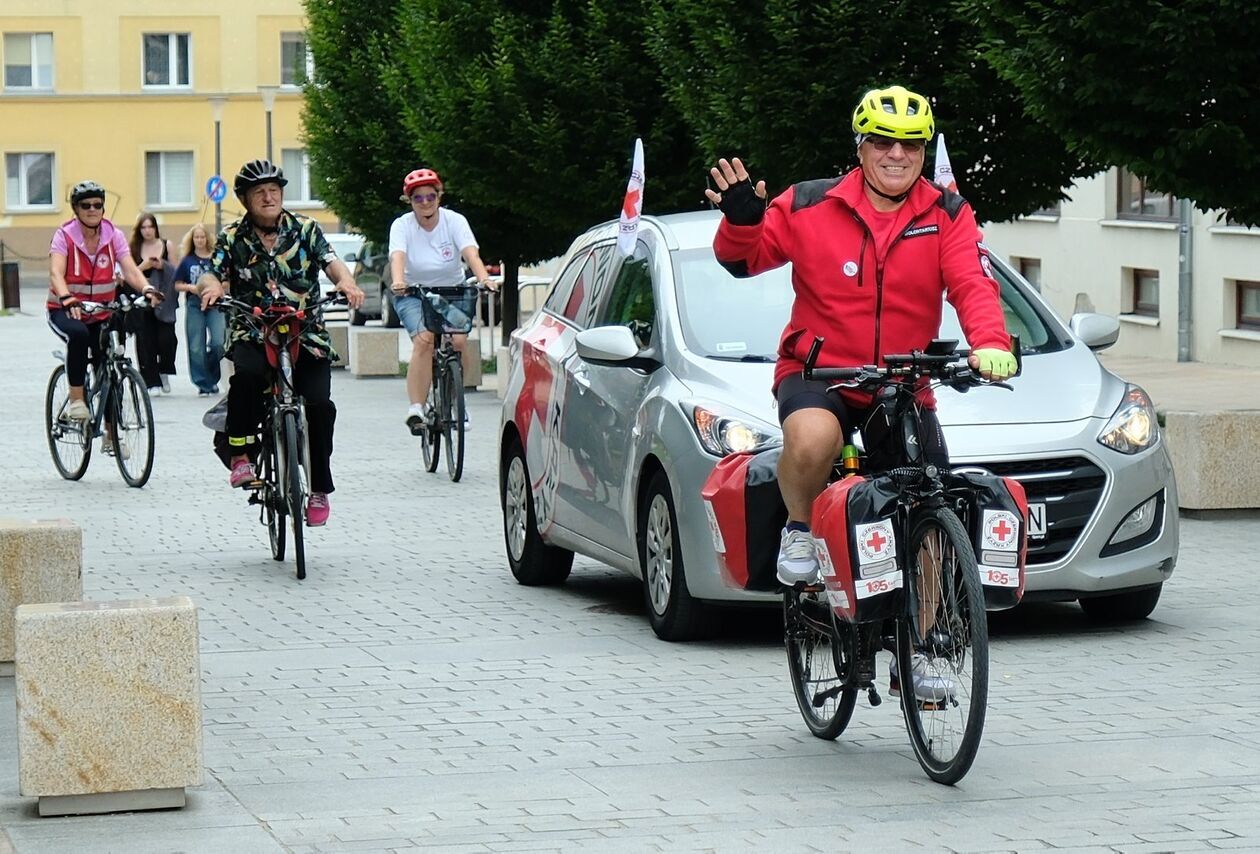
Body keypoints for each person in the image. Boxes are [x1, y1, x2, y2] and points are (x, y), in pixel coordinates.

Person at [707, 85, 1018, 698]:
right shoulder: (810, 203)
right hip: (817, 373)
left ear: (924, 151)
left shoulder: (948, 214)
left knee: (933, 502)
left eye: (909, 144)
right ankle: (800, 526)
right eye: (882, 142)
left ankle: (924, 648)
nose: (895, 155)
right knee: (813, 436)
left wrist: (992, 341)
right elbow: (743, 261)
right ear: (861, 146)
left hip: (901, 383)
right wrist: (741, 223)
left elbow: (973, 286)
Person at [198, 159, 364, 527]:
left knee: (319, 403)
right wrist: (210, 288)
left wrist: (346, 283)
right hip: (253, 329)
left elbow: (331, 261)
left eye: (274, 190)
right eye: (260, 192)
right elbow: (212, 271)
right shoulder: (231, 237)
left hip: (305, 331)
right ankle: (241, 456)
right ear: (245, 200)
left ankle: (318, 488)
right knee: (247, 377)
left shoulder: (305, 228)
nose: (269, 197)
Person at [46, 180, 162, 454]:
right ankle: (76, 400)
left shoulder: (113, 236)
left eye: (97, 205)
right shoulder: (64, 235)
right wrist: (66, 297)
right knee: (78, 335)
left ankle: (111, 434)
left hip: (101, 310)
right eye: (85, 205)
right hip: (66, 308)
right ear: (76, 209)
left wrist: (145, 287)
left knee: (110, 364)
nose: (92, 210)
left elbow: (130, 268)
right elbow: (56, 272)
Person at [387, 168, 496, 434]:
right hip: (413, 292)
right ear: (410, 201)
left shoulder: (455, 221)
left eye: (430, 197)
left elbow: (471, 254)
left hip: (451, 291)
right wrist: (399, 281)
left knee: (458, 340)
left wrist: (483, 277)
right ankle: (416, 407)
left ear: (439, 197)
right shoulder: (402, 225)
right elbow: (397, 256)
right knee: (424, 340)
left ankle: (458, 402)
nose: (425, 203)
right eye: (418, 198)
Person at [130, 212, 180, 393]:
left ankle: (164, 370)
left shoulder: (167, 245)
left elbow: (176, 272)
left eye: (150, 226)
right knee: (145, 341)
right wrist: (144, 266)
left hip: (164, 298)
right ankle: (151, 381)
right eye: (143, 227)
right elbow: (130, 272)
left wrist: (162, 265)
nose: (147, 231)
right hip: (142, 297)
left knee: (167, 340)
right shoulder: (134, 248)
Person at [174, 223, 224, 395]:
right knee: (196, 346)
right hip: (195, 304)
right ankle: (203, 383)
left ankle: (213, 375)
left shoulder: (216, 258)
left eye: (202, 237)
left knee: (219, 343)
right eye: (196, 237)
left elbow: (226, 279)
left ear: (207, 238)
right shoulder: (187, 260)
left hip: (216, 304)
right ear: (192, 239)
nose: (200, 240)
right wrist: (191, 288)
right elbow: (177, 284)